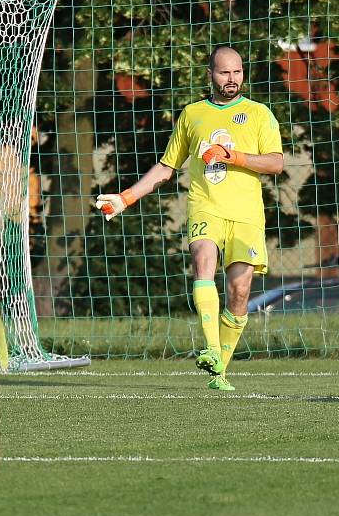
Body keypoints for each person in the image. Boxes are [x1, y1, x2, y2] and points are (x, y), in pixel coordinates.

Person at [95, 46, 284, 391]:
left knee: (240, 293)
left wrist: (233, 156)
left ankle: (218, 371)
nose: (232, 79)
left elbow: (275, 163)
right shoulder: (193, 115)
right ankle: (211, 347)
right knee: (202, 261)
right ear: (210, 74)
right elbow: (167, 167)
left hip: (246, 215)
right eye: (225, 73)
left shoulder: (259, 114)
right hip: (205, 206)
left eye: (237, 72)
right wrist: (126, 198)